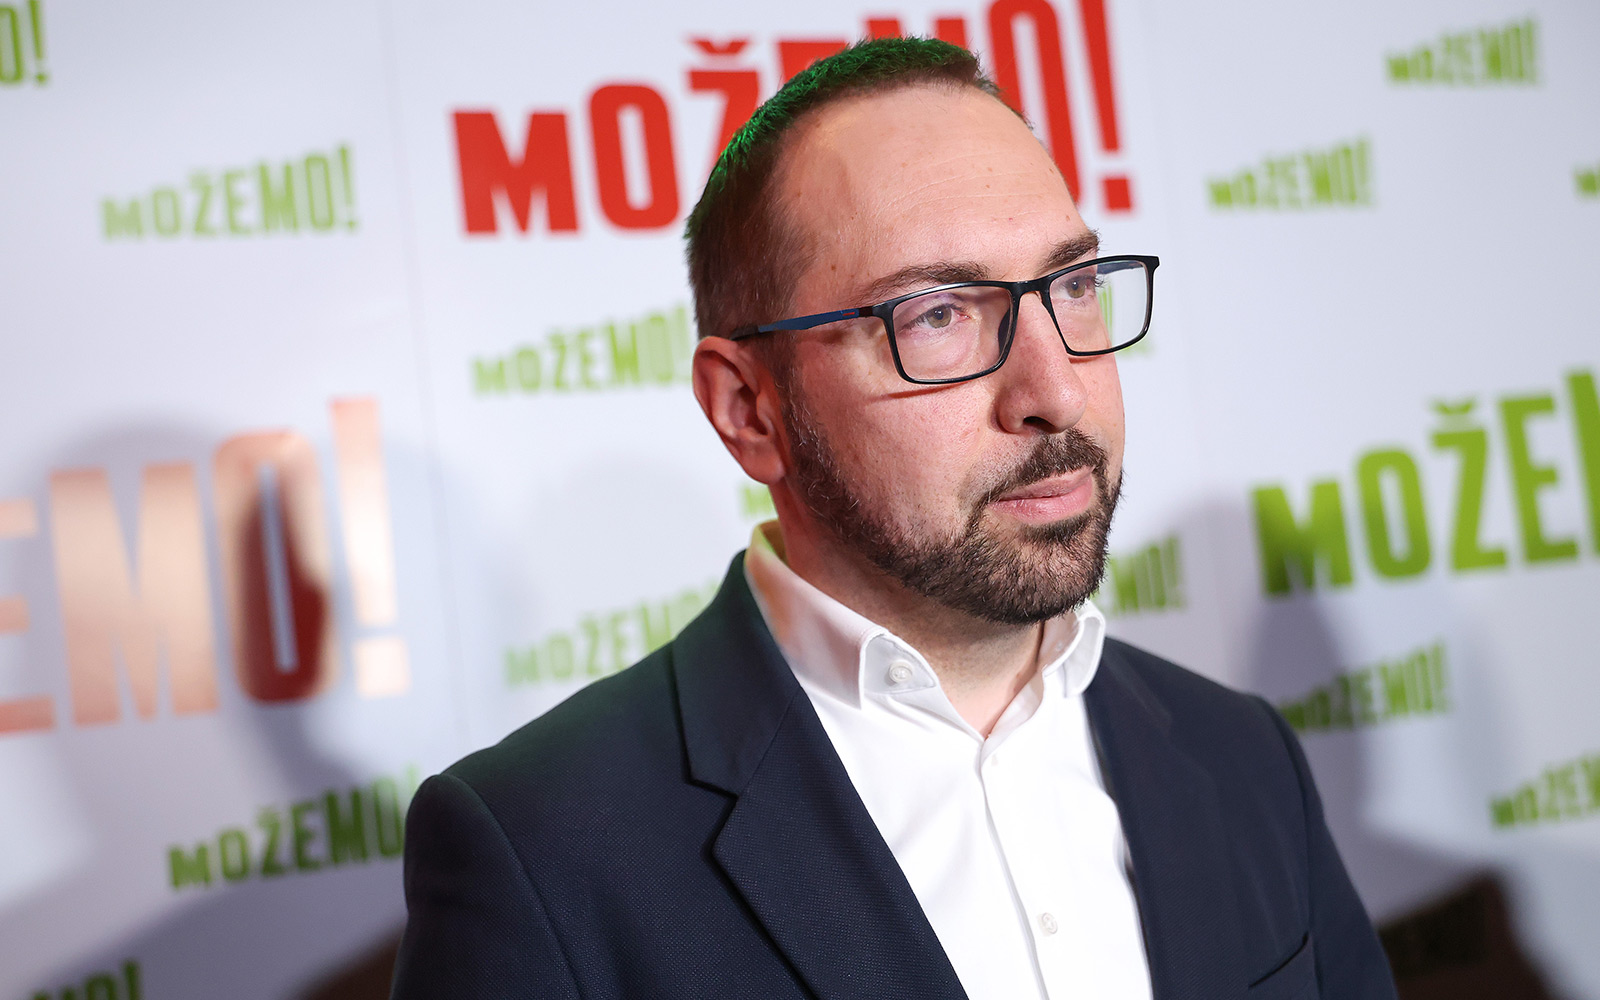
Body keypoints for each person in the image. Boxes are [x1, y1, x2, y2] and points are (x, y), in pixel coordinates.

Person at [390, 38, 1398, 1000]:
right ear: (750, 410)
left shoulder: (1243, 755)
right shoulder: (543, 854)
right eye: (937, 315)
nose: (1055, 392)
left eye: (1075, 285)